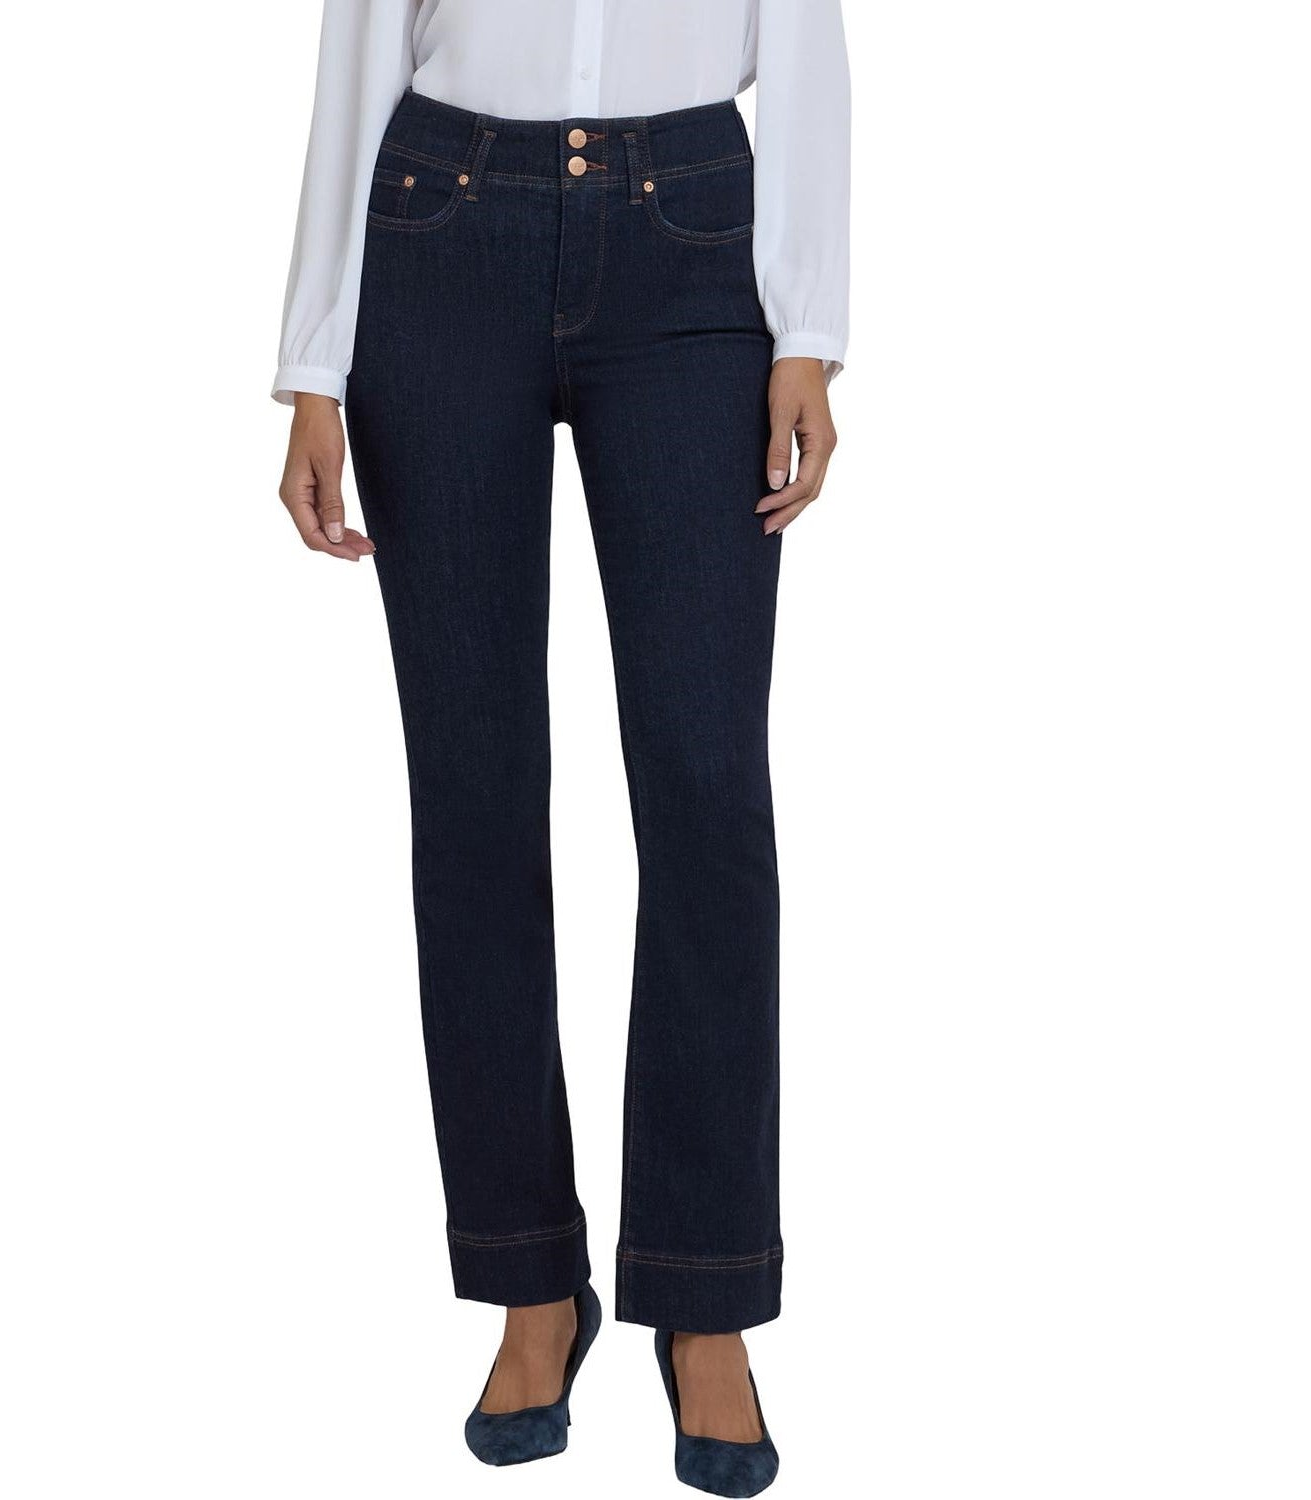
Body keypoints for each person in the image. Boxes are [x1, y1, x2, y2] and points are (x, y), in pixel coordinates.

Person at [272, 3, 848, 1493]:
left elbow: (805, 38)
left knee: (707, 791)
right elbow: (360, 43)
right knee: (472, 793)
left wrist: (808, 328)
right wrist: (315, 358)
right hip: (440, 230)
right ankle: (532, 1277)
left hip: (691, 243)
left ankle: (706, 1293)